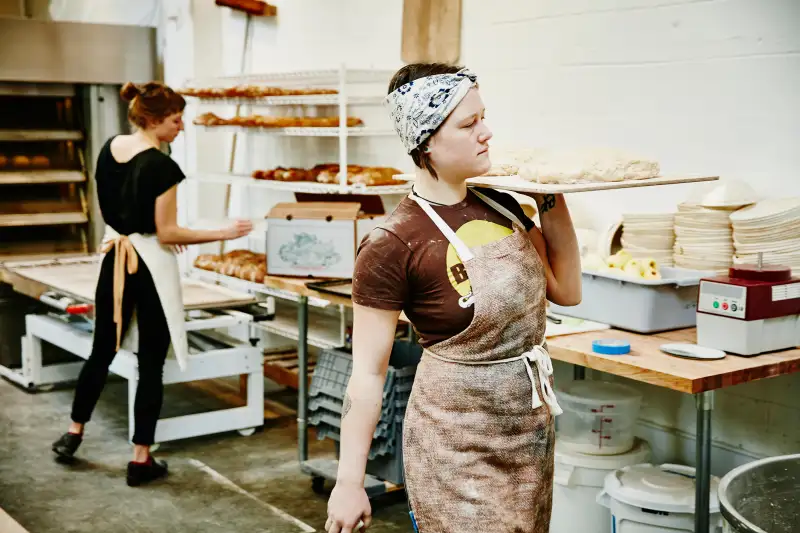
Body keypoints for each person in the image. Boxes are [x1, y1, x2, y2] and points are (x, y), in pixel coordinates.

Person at [325, 63, 582, 532]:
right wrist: (349, 481)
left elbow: (567, 290)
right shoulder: (392, 242)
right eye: (468, 124)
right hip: (454, 443)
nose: (487, 133)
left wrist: (550, 193)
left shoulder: (503, 204)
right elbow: (366, 374)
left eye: (483, 117)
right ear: (425, 142)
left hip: (527, 431)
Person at [51, 81, 253, 487]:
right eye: (176, 120)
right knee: (150, 362)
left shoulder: (110, 148)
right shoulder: (162, 167)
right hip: (149, 268)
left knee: (101, 349)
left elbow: (130, 214)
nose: (182, 126)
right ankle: (140, 459)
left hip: (115, 257)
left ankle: (73, 434)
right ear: (155, 120)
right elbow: (167, 233)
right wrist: (225, 233)